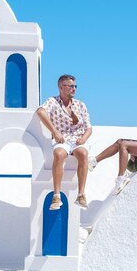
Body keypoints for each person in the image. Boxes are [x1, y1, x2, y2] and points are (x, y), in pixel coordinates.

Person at [37, 74, 92, 209]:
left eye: (75, 86)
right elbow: (40, 111)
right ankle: (56, 195)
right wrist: (54, 131)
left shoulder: (80, 105)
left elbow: (89, 127)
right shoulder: (53, 101)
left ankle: (81, 195)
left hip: (78, 140)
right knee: (59, 154)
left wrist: (84, 138)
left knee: (83, 154)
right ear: (61, 87)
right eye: (70, 86)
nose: (74, 89)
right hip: (62, 139)